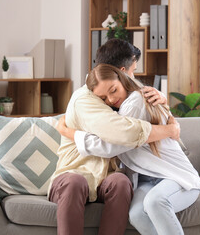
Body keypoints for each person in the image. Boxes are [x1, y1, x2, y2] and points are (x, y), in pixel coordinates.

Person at [48, 39, 177, 235]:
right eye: (132, 72)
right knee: (76, 182)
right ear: (121, 71)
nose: (133, 78)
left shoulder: (118, 94)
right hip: (72, 175)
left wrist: (162, 101)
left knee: (120, 182)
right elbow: (123, 133)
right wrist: (169, 130)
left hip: (105, 179)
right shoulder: (85, 99)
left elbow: (149, 109)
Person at [57, 63, 200, 235]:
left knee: (155, 202)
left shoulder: (134, 102)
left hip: (175, 177)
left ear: (122, 78)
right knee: (136, 215)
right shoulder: (117, 111)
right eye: (103, 98)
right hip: (146, 181)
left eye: (113, 90)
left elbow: (110, 146)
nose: (111, 100)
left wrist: (68, 132)